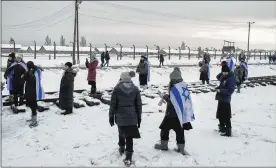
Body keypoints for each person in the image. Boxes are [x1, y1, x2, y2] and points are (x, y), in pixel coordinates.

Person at [154, 67, 193, 155]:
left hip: (171, 114)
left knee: (164, 128)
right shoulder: (182, 85)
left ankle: (164, 145)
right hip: (180, 115)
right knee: (180, 131)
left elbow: (172, 101)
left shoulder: (174, 87)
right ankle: (181, 148)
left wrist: (164, 96)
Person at [109, 72, 142, 167]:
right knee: (130, 136)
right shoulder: (135, 89)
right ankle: (129, 156)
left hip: (120, 116)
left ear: (121, 79)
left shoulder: (117, 89)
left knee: (121, 132)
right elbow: (138, 105)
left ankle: (121, 148)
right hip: (132, 116)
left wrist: (111, 116)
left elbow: (113, 105)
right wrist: (139, 117)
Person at [215, 61, 236, 137]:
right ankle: (222, 128)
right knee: (220, 115)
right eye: (223, 72)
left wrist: (221, 91)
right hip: (221, 99)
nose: (223, 73)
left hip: (226, 100)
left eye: (224, 72)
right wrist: (222, 73)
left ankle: (228, 131)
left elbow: (230, 90)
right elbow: (217, 77)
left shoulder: (230, 79)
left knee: (226, 116)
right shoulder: (224, 77)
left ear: (227, 72)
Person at [24, 61, 45, 127]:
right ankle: (32, 118)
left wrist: (28, 73)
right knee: (31, 105)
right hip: (29, 91)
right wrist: (26, 74)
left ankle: (35, 121)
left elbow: (33, 80)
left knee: (33, 105)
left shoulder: (36, 72)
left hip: (33, 92)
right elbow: (26, 79)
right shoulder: (31, 71)